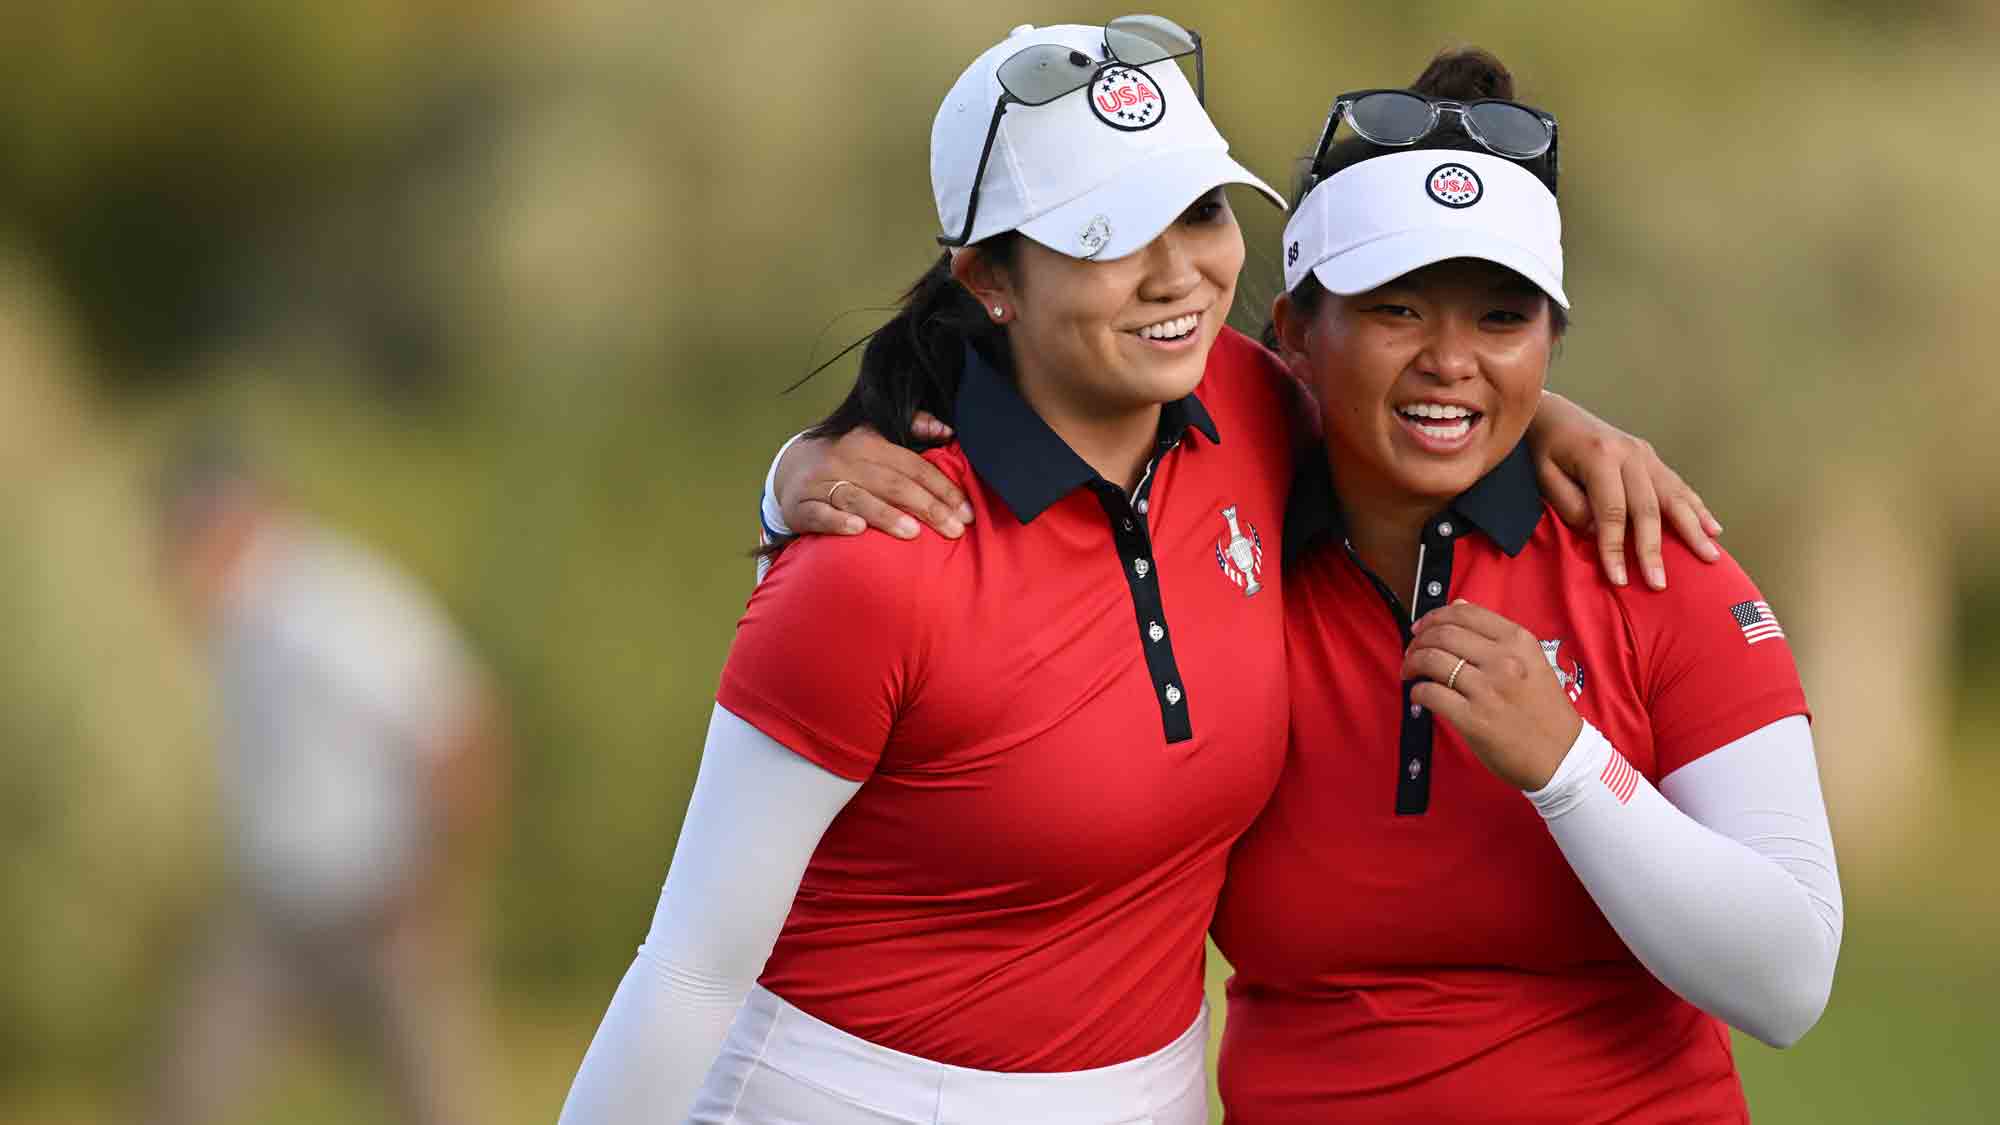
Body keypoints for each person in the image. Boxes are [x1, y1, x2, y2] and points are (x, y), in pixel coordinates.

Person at [560, 19, 1298, 1125]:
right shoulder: (875, 567)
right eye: (1108, 234)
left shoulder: (1251, 407)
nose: (1177, 274)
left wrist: (1576, 436)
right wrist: (783, 488)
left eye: (1197, 211)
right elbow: (689, 973)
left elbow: (1440, 403)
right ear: (989, 279)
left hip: (1152, 1094)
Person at [1207, 49, 1841, 1122]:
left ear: (1550, 343)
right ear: (1293, 337)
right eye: (1395, 309)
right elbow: (1031, 354)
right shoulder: (1210, 530)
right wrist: (812, 470)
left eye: (1500, 319)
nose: (1450, 360)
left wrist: (1565, 764)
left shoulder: (1649, 559)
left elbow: (1784, 982)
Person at [146, 436, 504, 1125]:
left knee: (438, 1106)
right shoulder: (241, 620)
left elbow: (463, 730)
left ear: (230, 525)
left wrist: (434, 885)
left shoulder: (329, 608)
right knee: (184, 1092)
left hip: (382, 914)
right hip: (277, 912)